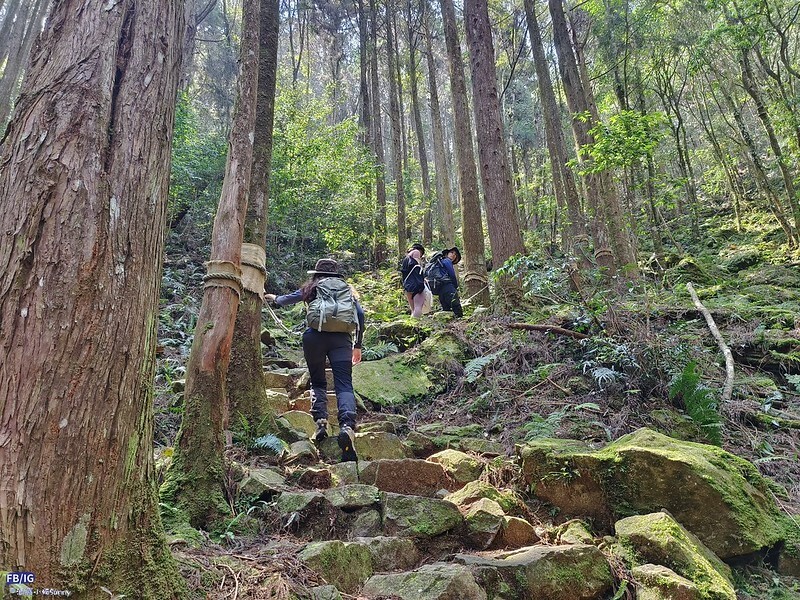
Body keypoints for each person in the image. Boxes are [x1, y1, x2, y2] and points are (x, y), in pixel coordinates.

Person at [265, 258, 365, 462]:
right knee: (344, 384)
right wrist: (358, 345)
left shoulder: (313, 287)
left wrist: (272, 297)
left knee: (318, 380)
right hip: (342, 340)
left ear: (317, 273)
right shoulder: (346, 290)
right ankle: (347, 425)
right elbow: (360, 315)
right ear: (336, 274)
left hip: (314, 337)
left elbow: (285, 300)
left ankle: (320, 423)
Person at [432, 247, 463, 317]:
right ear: (447, 253)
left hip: (440, 288)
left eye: (455, 255)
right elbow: (452, 274)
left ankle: (447, 325)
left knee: (446, 309)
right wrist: (455, 286)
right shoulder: (447, 261)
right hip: (447, 286)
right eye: (452, 253)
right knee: (456, 306)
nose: (453, 255)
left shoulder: (440, 262)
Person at [400, 243, 426, 318]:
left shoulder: (406, 258)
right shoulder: (416, 252)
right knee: (418, 307)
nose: (420, 256)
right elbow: (418, 268)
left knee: (413, 309)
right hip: (416, 284)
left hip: (408, 285)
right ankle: (415, 325)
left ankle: (411, 323)